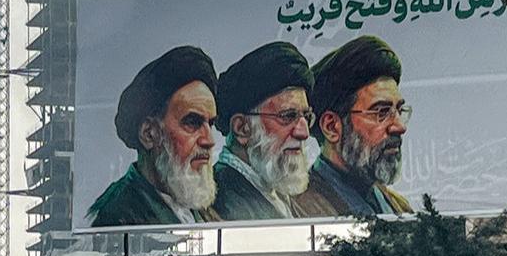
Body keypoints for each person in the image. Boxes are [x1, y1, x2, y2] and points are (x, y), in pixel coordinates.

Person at [87, 46, 219, 227]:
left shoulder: (197, 208)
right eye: (192, 122)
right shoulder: (116, 218)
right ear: (149, 134)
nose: (209, 141)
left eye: (210, 124)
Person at [293, 35, 414, 218]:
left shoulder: (399, 207)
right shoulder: (299, 211)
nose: (399, 127)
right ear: (332, 127)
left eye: (399, 110)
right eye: (381, 112)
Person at [211, 41, 315, 221]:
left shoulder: (274, 186)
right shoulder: (221, 199)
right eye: (288, 116)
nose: (303, 132)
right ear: (242, 128)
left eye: (306, 116)